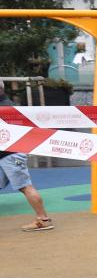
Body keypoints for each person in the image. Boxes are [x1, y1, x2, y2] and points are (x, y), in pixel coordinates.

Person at [0, 88, 53, 232]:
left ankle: (43, 219)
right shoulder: (9, 105)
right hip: (7, 154)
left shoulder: (6, 108)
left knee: (25, 187)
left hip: (10, 155)